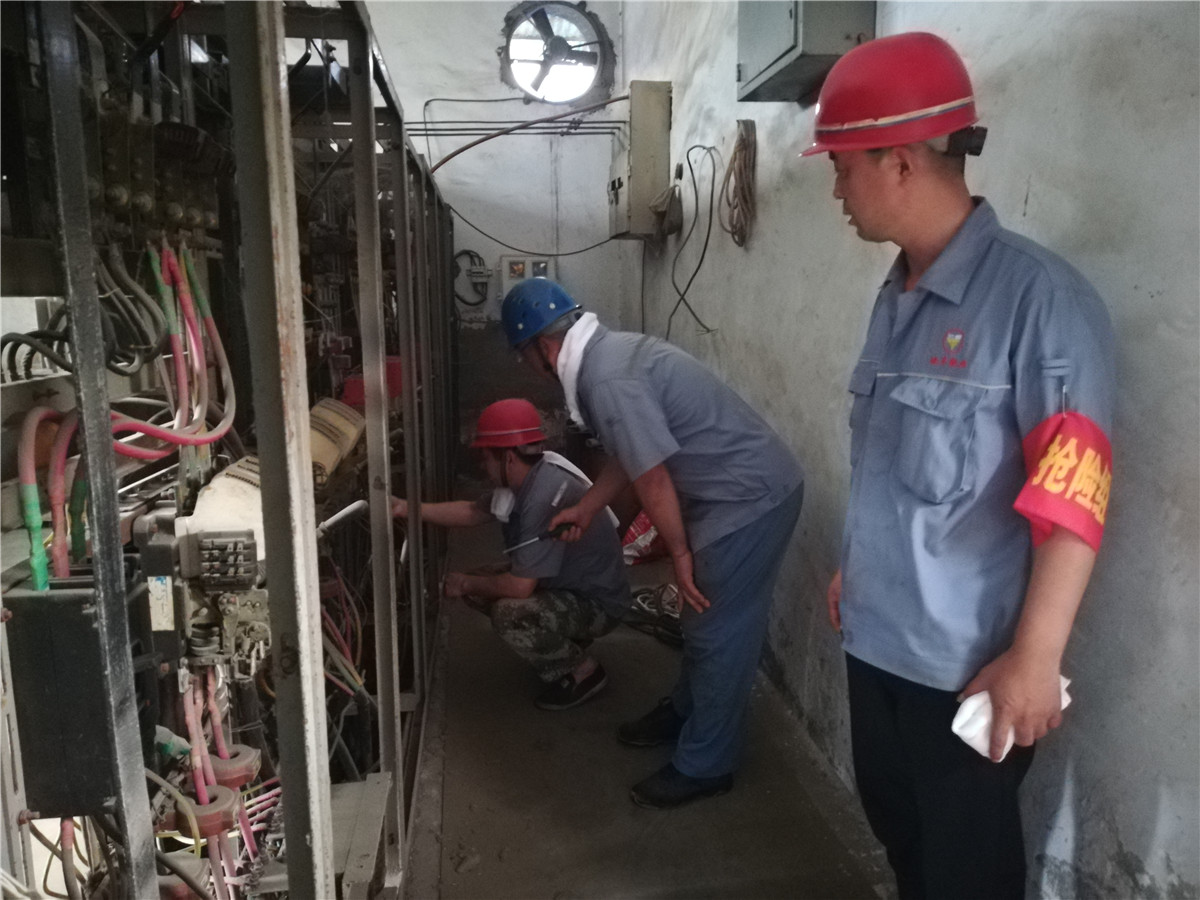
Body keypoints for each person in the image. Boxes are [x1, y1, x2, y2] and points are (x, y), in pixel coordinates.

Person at [802, 32, 1116, 899]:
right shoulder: (897, 295)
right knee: (904, 843)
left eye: (843, 169)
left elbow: (1074, 496)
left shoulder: (1039, 302)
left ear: (900, 162)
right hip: (876, 641)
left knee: (964, 875)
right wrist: (859, 567)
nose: (836, 191)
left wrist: (1035, 658)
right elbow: (897, 467)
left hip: (964, 671)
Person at [499, 278, 804, 809]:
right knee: (702, 621)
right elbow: (633, 450)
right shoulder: (604, 359)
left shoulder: (605, 378)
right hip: (730, 493)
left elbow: (653, 477)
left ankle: (708, 764)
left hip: (749, 499)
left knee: (718, 630)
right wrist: (588, 507)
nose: (526, 367)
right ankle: (686, 710)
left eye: (522, 356)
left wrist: (680, 555)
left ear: (541, 347)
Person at [392, 398, 631, 711]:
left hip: (598, 603)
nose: (482, 466)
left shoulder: (544, 496)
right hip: (569, 582)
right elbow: (471, 511)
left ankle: (583, 672)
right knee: (483, 583)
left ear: (507, 458)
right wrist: (407, 508)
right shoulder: (529, 477)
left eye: (485, 458)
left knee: (507, 611)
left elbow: (519, 587)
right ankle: (562, 641)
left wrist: (464, 584)